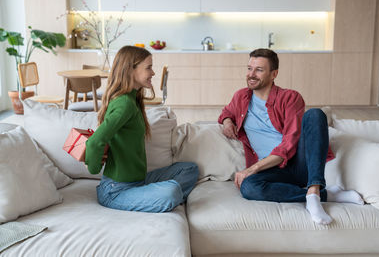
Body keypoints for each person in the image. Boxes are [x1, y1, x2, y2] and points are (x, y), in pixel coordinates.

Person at [219, 48, 364, 225]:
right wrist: (227, 121)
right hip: (270, 170)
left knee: (315, 114)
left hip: (299, 164)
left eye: (259, 70)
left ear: (274, 74)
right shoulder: (241, 96)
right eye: (249, 68)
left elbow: (288, 144)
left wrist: (251, 169)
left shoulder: (290, 98)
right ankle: (323, 195)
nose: (251, 74)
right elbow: (227, 111)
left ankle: (314, 188)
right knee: (249, 187)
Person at [85, 45, 199, 213]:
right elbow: (94, 142)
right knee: (172, 191)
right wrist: (93, 169)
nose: (153, 73)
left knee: (189, 169)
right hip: (115, 191)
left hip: (138, 182)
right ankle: (160, 199)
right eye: (149, 68)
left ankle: (152, 198)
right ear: (130, 70)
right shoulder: (124, 104)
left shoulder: (133, 100)